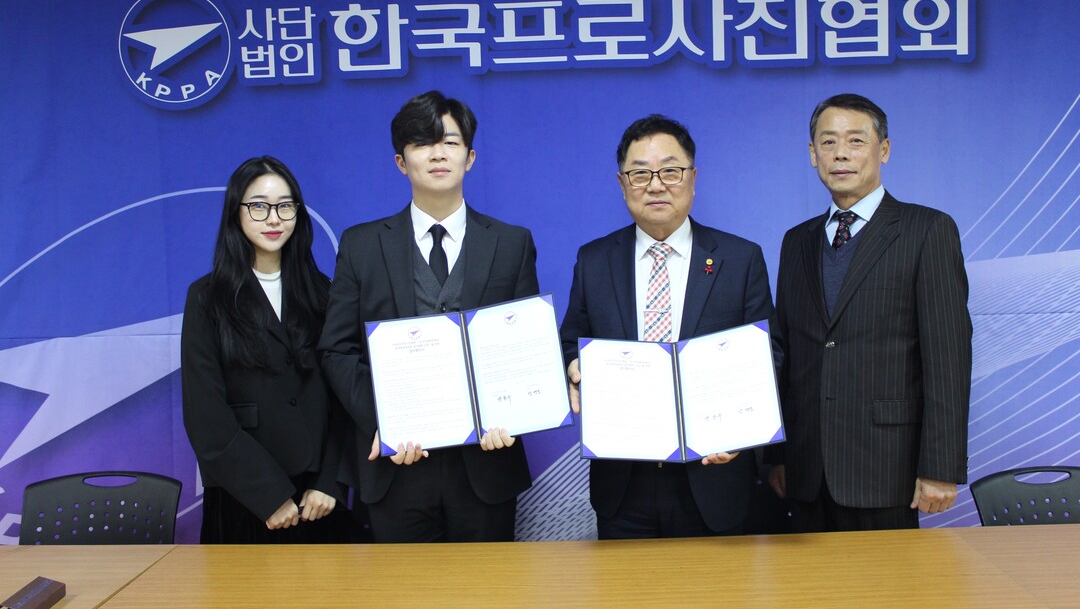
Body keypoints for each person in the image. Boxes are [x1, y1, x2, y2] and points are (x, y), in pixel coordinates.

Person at [319, 90, 536, 543]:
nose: (438, 153)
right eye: (422, 142)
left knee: (488, 583)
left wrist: (513, 413)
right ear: (401, 162)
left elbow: (525, 348)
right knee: (404, 583)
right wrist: (385, 422)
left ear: (470, 157)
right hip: (396, 465)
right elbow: (337, 350)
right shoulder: (361, 245)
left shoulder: (511, 243)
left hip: (486, 464)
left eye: (450, 142)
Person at [560, 114, 774, 539]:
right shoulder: (594, 260)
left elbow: (770, 356)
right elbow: (571, 341)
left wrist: (743, 431)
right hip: (624, 480)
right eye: (640, 174)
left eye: (670, 171)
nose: (656, 185)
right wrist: (573, 367)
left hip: (714, 475)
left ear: (693, 178)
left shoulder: (740, 258)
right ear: (622, 183)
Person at [767, 93, 972, 532]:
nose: (840, 153)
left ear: (884, 150)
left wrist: (941, 466)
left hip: (886, 468)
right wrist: (776, 455)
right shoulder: (796, 241)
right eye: (828, 142)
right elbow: (785, 355)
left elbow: (948, 357)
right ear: (813, 154)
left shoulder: (927, 230)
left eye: (856, 141)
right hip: (805, 470)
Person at [181, 156, 347, 543]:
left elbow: (344, 396)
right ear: (235, 212)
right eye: (258, 206)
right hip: (243, 496)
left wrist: (330, 482)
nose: (273, 219)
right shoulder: (207, 298)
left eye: (285, 206)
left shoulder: (324, 292)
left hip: (317, 499)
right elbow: (205, 414)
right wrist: (269, 495)